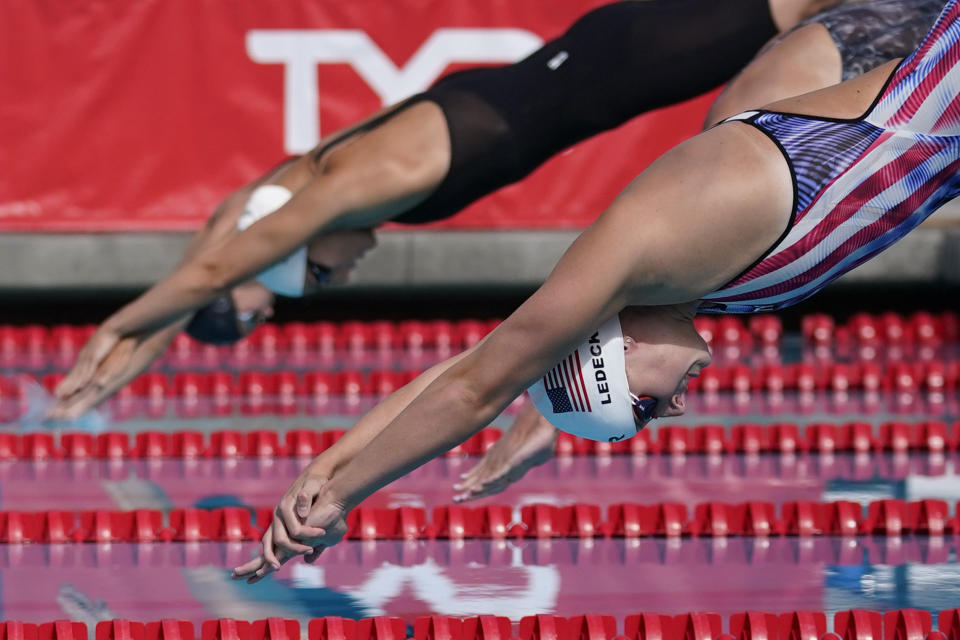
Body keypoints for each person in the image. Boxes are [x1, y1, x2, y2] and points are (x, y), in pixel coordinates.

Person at [222, 0, 960, 582]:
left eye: (642, 408)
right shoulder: (702, 285)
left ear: (617, 346)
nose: (674, 408)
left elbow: (479, 384)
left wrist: (348, 492)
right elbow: (486, 362)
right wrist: (324, 469)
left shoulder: (664, 241)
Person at [50, 0, 941, 419]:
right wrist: (156, 335)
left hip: (641, 52)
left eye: (315, 272)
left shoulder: (362, 179)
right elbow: (241, 225)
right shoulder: (338, 180)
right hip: (620, 59)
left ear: (302, 239)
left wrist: (121, 325)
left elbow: (225, 252)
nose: (343, 274)